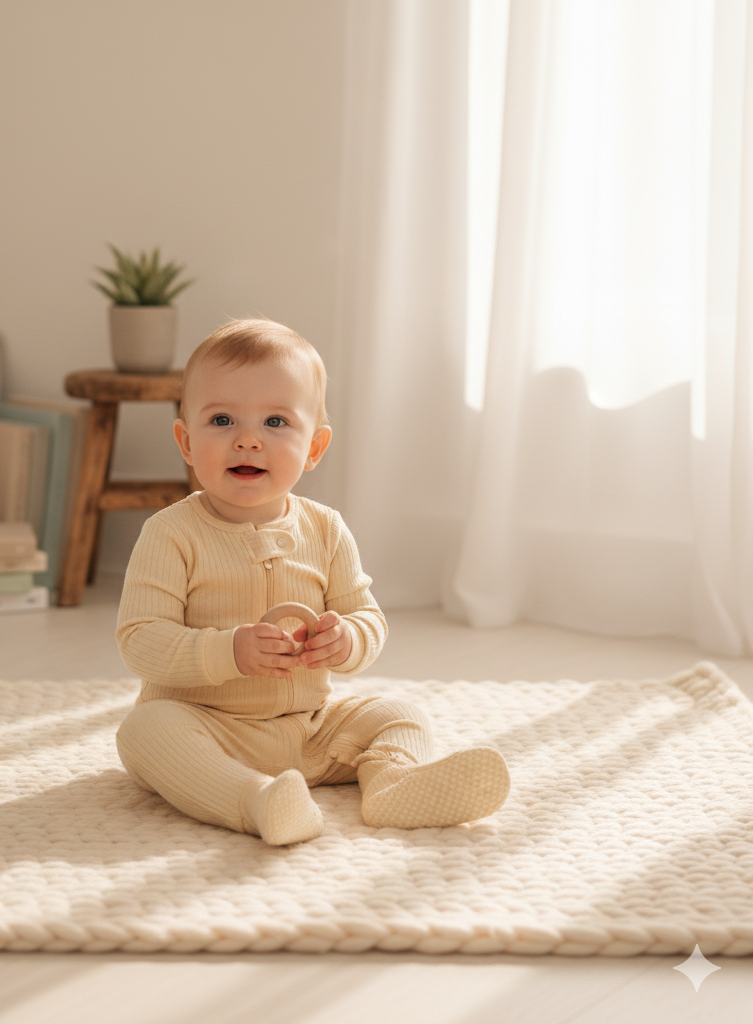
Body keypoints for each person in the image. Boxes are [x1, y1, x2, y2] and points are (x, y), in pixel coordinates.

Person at [115, 319, 510, 845]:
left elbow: (367, 618)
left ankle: (393, 785)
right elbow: (141, 640)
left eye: (276, 421)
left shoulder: (325, 528)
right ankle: (256, 799)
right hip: (210, 725)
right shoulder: (170, 534)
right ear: (186, 442)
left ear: (315, 446)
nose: (249, 439)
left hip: (312, 727)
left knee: (399, 713)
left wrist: (345, 640)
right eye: (223, 419)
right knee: (145, 732)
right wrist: (226, 650)